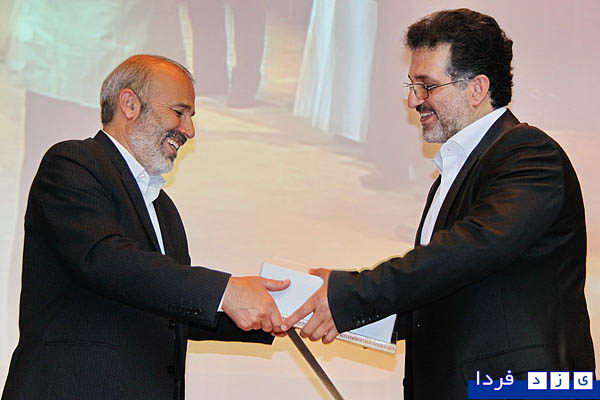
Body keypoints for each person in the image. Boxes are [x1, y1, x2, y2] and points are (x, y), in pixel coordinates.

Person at [282, 8, 595, 399]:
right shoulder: (462, 167)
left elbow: (471, 250)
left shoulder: (529, 153)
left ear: (477, 89)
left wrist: (353, 294)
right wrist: (348, 311)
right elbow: (450, 285)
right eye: (412, 85)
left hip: (525, 388)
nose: (413, 100)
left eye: (427, 86)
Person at [2, 54, 289, 400]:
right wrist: (225, 291)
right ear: (129, 104)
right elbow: (104, 259)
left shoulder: (162, 209)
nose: (189, 130)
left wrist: (276, 313)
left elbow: (167, 307)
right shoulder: (74, 162)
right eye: (179, 112)